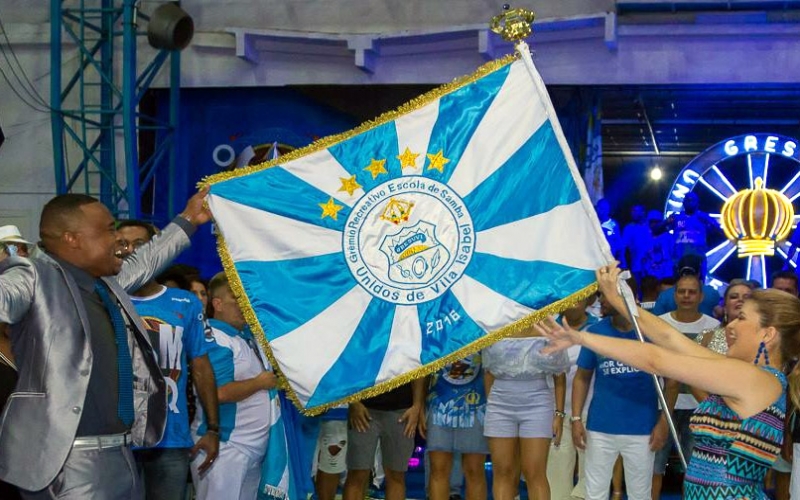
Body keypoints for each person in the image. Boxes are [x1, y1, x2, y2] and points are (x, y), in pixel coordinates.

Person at [0, 190, 210, 499]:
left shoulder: (106, 285)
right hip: (69, 462)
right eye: (108, 230)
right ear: (72, 239)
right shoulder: (32, 277)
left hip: (123, 454)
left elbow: (147, 260)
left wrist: (190, 218)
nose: (118, 241)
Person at [537, 262, 800, 500]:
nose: (731, 325)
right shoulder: (743, 374)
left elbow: (656, 359)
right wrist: (620, 302)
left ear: (768, 334)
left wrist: (583, 338)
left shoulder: (757, 380)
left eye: (742, 318)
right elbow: (669, 338)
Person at [116, 220, 220, 500]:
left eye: (139, 244)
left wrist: (212, 428)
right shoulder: (106, 300)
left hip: (170, 437)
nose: (129, 251)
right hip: (118, 437)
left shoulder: (185, 303)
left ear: (157, 247)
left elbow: (201, 368)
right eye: (121, 244)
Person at [570, 287, 665, 500]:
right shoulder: (595, 332)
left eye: (606, 295)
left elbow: (673, 382)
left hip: (643, 428)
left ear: (627, 298)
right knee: (594, 494)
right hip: (600, 427)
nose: (601, 300)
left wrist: (663, 422)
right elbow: (582, 377)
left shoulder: (650, 332)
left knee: (640, 495)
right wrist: (576, 419)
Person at [191, 272, 278, 500]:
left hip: (248, 450)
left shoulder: (243, 338)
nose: (244, 305)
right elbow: (217, 392)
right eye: (237, 299)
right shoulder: (216, 337)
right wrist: (260, 383)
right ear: (217, 304)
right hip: (225, 447)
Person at [651, 273, 719, 498]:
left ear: (701, 296)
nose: (687, 296)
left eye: (692, 292)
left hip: (698, 407)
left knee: (694, 470)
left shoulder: (714, 327)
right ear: (674, 295)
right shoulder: (659, 323)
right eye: (682, 291)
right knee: (654, 466)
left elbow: (717, 368)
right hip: (661, 406)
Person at [482, 333, 569, 500]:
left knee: (534, 471)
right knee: (503, 471)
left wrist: (559, 413)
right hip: (499, 402)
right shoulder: (494, 324)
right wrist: (491, 405)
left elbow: (559, 376)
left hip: (537, 402)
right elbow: (488, 372)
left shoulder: (546, 326)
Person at [342, 379, 425, 500]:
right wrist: (353, 401)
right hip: (363, 408)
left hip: (402, 410)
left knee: (396, 475)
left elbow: (417, 365)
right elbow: (350, 363)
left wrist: (417, 405)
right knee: (357, 473)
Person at [426, 354, 488, 500]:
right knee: (438, 469)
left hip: (477, 404)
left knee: (474, 470)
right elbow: (423, 364)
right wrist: (419, 404)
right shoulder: (435, 330)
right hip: (439, 404)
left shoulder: (483, 330)